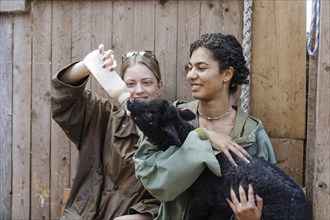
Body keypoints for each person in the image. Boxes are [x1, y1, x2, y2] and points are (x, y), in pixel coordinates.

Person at [133, 33, 277, 220]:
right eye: (190, 67)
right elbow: (154, 182)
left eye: (201, 68)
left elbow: (272, 194)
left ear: (227, 74)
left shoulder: (251, 133)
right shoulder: (170, 117)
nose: (191, 75)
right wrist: (203, 137)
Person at [51, 44, 163, 220]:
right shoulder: (103, 116)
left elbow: (172, 196)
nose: (139, 90)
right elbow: (64, 100)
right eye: (130, 84)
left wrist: (142, 216)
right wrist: (88, 65)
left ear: (159, 86)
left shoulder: (170, 132)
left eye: (147, 82)